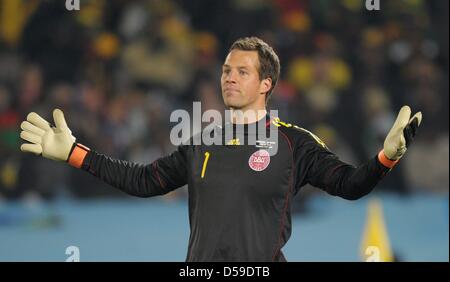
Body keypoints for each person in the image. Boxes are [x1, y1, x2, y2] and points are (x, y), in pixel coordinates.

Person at [18, 37, 422, 262]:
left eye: (241, 71)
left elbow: (350, 184)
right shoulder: (200, 140)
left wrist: (387, 157)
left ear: (266, 84)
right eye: (226, 70)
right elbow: (144, 181)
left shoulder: (293, 143)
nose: (229, 77)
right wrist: (75, 152)